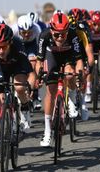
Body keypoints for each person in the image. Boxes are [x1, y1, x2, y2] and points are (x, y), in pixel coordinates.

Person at [0, 23, 33, 162]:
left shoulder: (18, 46)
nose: (1, 51)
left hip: (16, 66)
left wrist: (31, 87)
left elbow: (31, 74)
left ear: (10, 43)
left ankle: (25, 108)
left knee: (20, 87)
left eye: (4, 47)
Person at [36, 12, 84, 147]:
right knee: (51, 91)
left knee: (70, 74)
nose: (60, 37)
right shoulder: (44, 35)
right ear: (51, 30)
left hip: (68, 56)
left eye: (63, 33)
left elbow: (79, 60)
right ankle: (47, 131)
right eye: (56, 34)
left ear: (68, 31)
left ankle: (72, 99)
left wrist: (79, 75)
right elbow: (39, 62)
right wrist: (39, 75)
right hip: (52, 57)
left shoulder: (73, 35)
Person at [67, 8, 93, 120]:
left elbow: (89, 51)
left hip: (80, 53)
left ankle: (82, 103)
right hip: (66, 53)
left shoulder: (83, 30)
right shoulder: (62, 33)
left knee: (82, 76)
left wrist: (89, 67)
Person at [12, 14, 42, 110]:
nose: (26, 34)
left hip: (31, 45)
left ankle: (34, 92)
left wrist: (38, 76)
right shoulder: (13, 31)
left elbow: (40, 51)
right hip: (18, 44)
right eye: (24, 32)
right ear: (19, 29)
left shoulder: (37, 30)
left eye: (29, 32)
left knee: (33, 62)